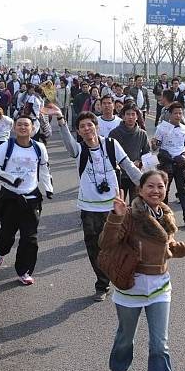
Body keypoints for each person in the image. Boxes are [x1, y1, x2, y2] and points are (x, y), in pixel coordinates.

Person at [99, 171, 185, 371]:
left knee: (160, 345)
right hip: (131, 288)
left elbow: (169, 248)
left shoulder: (166, 215)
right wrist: (115, 218)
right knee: (125, 337)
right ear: (140, 189)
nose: (156, 191)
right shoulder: (128, 214)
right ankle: (118, 367)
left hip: (160, 287)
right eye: (150, 186)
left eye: (160, 187)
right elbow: (105, 244)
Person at [58, 111, 142, 301]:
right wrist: (61, 121)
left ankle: (124, 275)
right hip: (89, 209)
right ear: (78, 132)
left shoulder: (111, 145)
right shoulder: (79, 150)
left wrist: (146, 186)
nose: (87, 129)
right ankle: (102, 284)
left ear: (96, 126)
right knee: (95, 248)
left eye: (90, 125)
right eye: (82, 127)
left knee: (120, 244)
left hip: (113, 207)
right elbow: (69, 147)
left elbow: (128, 166)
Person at [0, 116, 53, 286]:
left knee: (30, 238)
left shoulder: (39, 148)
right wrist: (12, 179)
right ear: (14, 128)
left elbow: (44, 168)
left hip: (32, 199)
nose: (23, 127)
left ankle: (24, 271)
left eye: (26, 125)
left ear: (32, 129)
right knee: (6, 234)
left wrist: (48, 187)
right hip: (10, 197)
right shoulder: (6, 146)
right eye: (19, 125)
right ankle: (0, 252)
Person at [152, 102, 185, 225]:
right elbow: (156, 146)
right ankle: (163, 218)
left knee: (182, 190)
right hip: (166, 162)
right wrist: (154, 143)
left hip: (180, 162)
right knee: (164, 190)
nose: (178, 116)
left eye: (180, 113)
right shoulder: (162, 128)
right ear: (170, 114)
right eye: (175, 113)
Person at [109, 105, 150, 201]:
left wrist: (139, 162)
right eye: (128, 114)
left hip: (136, 174)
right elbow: (109, 154)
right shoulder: (114, 133)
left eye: (133, 114)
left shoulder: (142, 133)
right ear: (123, 116)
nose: (130, 117)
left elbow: (146, 153)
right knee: (118, 205)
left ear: (137, 117)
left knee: (136, 205)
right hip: (119, 175)